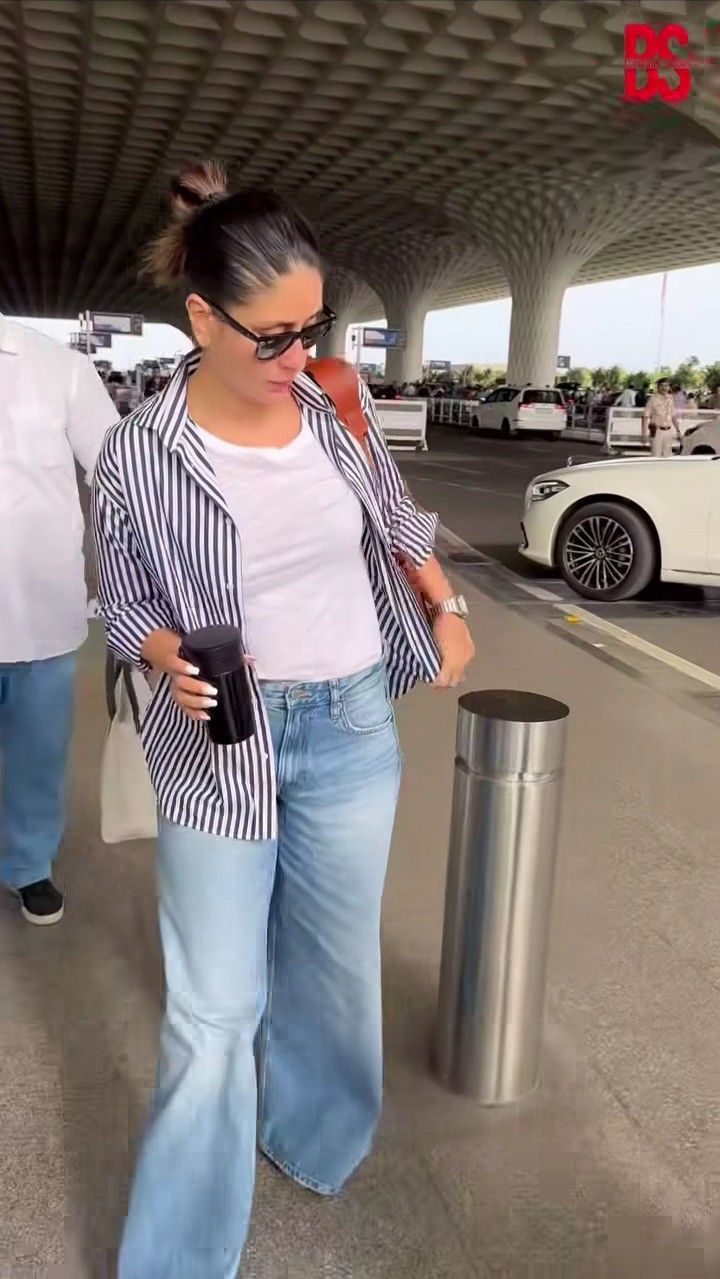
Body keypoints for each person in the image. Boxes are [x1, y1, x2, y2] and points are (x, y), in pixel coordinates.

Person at [91, 159, 474, 1278]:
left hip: (353, 725)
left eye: (311, 328)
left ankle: (313, 1136)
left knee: (334, 964)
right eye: (269, 334)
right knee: (213, 1006)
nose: (293, 357)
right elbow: (122, 596)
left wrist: (444, 602)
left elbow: (398, 516)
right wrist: (163, 651)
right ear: (201, 317)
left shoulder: (327, 405)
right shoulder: (142, 455)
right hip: (222, 746)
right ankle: (176, 1255)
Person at [0, 316, 117, 924]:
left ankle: (29, 865)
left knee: (37, 753)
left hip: (37, 608)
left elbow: (118, 475)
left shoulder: (59, 367)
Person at [643, 378, 681, 456]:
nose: (664, 388)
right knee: (656, 456)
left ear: (669, 387)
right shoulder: (653, 399)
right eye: (662, 386)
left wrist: (678, 431)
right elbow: (645, 417)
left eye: (666, 385)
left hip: (668, 431)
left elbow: (673, 416)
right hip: (657, 431)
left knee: (667, 456)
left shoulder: (670, 399)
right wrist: (644, 434)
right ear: (658, 387)